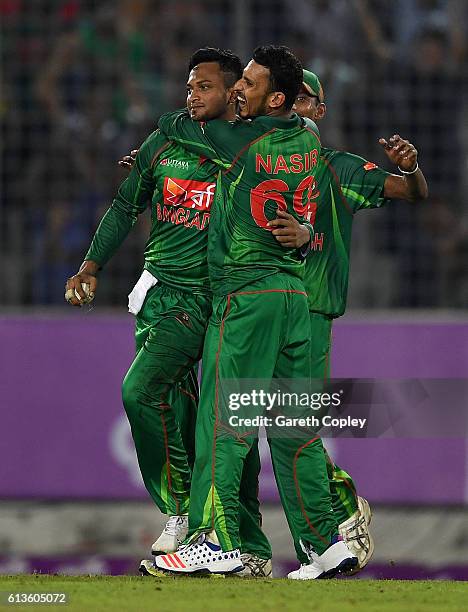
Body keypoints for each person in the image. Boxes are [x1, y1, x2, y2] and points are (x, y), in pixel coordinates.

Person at [64, 48, 273, 577]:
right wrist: (91, 265)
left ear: (233, 92)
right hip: (159, 293)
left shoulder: (251, 145)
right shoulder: (165, 141)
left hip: (212, 298)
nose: (192, 95)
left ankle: (183, 512)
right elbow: (124, 205)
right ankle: (240, 544)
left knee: (145, 393)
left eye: (204, 86)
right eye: (189, 86)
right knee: (185, 413)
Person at [153, 45, 357, 578]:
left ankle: (215, 537)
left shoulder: (234, 138)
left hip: (246, 299)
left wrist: (206, 107)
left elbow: (173, 125)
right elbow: (305, 213)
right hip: (294, 298)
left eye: (250, 83)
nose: (240, 89)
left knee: (224, 422)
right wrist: (309, 232)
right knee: (295, 431)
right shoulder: (308, 141)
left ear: (278, 98)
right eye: (240, 79)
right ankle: (325, 545)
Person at [267, 69, 428, 578]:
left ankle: (329, 535)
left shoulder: (337, 169)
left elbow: (410, 193)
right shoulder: (249, 164)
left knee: (292, 430)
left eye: (302, 98)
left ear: (319, 109)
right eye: (283, 98)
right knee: (273, 431)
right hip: (254, 313)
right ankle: (320, 537)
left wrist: (413, 168)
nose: (290, 106)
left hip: (309, 312)